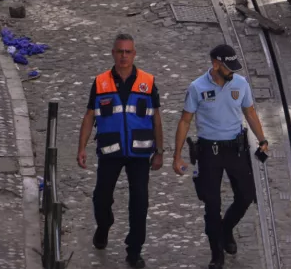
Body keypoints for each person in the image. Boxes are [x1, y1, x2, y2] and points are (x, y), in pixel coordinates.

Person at [173, 45, 268, 269]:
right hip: (209, 152)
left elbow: (250, 112)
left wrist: (262, 140)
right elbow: (185, 120)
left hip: (236, 149)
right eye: (228, 67)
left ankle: (226, 228)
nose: (232, 72)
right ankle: (217, 253)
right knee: (211, 204)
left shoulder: (241, 84)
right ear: (215, 64)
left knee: (246, 196)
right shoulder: (197, 87)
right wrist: (177, 156)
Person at [77, 34, 164, 268]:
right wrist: (81, 148)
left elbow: (156, 118)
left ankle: (134, 251)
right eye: (120, 51)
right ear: (113, 53)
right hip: (110, 151)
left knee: (140, 202)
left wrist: (160, 151)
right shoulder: (100, 82)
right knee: (101, 198)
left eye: (128, 52)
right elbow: (89, 116)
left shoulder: (147, 81)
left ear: (134, 54)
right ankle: (104, 225)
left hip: (139, 153)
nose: (124, 56)